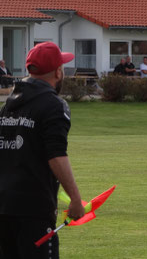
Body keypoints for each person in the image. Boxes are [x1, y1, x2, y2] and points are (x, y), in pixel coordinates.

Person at [0, 42, 85, 258]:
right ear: (58, 71)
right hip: (34, 211)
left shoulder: (8, 106)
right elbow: (56, 155)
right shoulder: (54, 105)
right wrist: (75, 199)